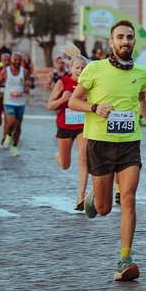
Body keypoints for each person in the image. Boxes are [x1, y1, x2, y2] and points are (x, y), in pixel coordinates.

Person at [68, 20, 146, 281]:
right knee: (104, 207)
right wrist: (94, 108)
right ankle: (94, 196)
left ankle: (125, 258)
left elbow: (142, 101)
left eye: (129, 37)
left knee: (129, 197)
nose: (125, 41)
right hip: (99, 144)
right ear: (111, 42)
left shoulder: (141, 72)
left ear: (134, 42)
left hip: (129, 143)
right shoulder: (94, 69)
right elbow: (73, 101)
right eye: (119, 37)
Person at [47, 42, 89, 210]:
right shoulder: (62, 82)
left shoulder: (88, 84)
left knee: (83, 160)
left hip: (83, 126)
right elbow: (50, 105)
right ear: (71, 68)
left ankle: (80, 198)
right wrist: (64, 99)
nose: (80, 71)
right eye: (77, 68)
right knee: (65, 165)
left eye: (83, 68)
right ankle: (59, 156)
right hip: (65, 126)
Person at [0, 52, 32, 156]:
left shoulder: (24, 72)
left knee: (18, 126)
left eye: (19, 60)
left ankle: (15, 146)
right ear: (11, 60)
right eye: (15, 59)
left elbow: (30, 82)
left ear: (21, 61)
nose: (17, 62)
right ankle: (9, 135)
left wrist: (28, 85)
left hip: (20, 103)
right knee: (11, 122)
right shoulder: (5, 72)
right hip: (9, 102)